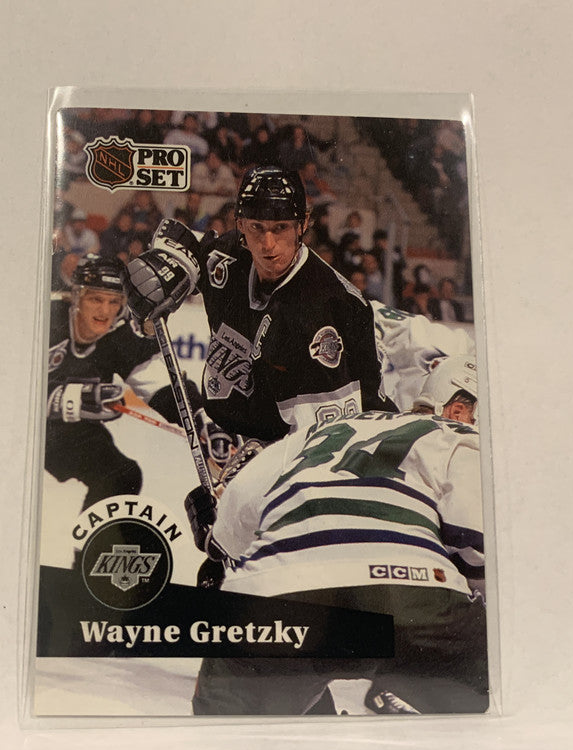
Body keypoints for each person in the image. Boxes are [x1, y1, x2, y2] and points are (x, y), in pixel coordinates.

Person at [189, 355, 487, 715]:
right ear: (457, 409)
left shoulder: (316, 433)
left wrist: (215, 540)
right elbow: (479, 538)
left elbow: (227, 535)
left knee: (224, 739)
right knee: (507, 686)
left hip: (275, 597)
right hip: (408, 600)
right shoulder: (458, 436)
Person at [123, 165, 395, 448]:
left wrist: (259, 462)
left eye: (281, 228)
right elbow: (182, 237)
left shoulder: (318, 310)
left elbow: (323, 443)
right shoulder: (229, 257)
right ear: (240, 224)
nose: (268, 245)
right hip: (239, 428)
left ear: (303, 224)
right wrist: (163, 264)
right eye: (257, 228)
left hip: (344, 442)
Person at [46, 254, 221, 513]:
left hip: (71, 433)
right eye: (96, 299)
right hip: (25, 428)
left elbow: (162, 386)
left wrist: (200, 417)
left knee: (122, 475)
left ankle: (92, 539)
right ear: (76, 296)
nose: (105, 311)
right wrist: (60, 398)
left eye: (114, 302)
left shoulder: (120, 335)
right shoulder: (45, 318)